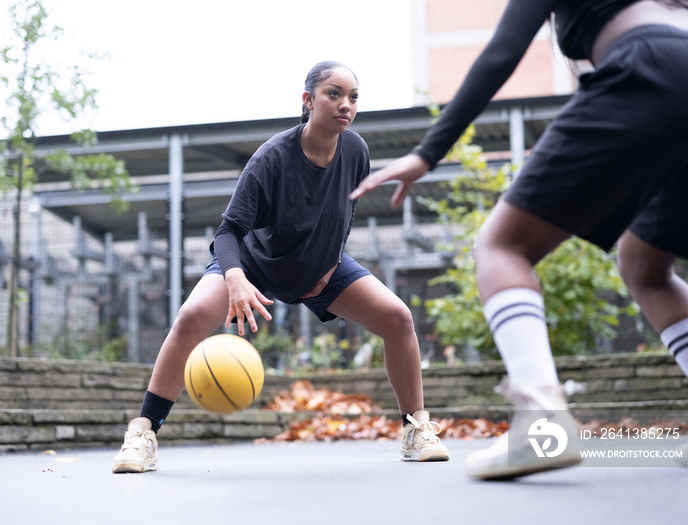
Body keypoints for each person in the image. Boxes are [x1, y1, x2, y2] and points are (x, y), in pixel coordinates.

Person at [351, 1, 688, 479]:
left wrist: (429, 152)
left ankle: (543, 426)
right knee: (645, 263)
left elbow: (503, 52)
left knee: (502, 245)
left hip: (651, 65)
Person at [111, 61, 450, 474]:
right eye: (334, 93)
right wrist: (234, 277)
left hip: (320, 266)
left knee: (398, 318)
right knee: (191, 316)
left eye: (353, 97)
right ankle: (143, 431)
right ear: (307, 100)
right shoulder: (271, 159)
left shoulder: (356, 151)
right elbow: (228, 231)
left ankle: (415, 430)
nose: (345, 104)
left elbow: (344, 214)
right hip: (251, 264)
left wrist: (327, 264)